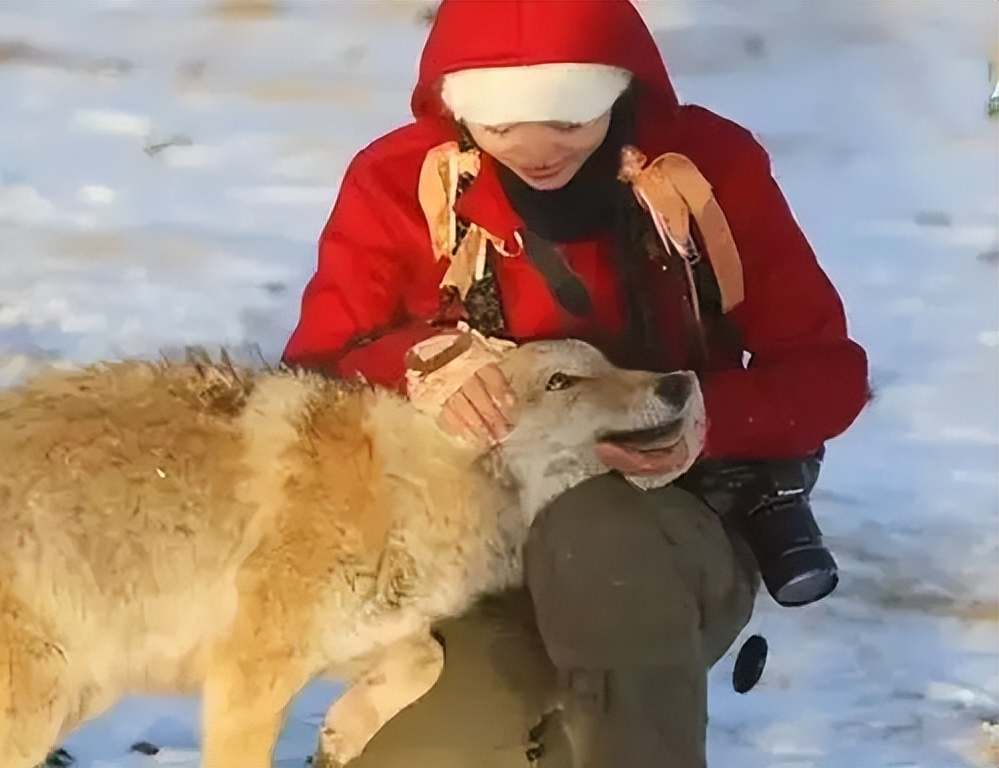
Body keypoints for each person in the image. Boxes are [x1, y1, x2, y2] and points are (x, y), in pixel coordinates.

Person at [280, 1, 870, 766]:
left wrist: (702, 420)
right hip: (474, 554)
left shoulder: (705, 170)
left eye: (567, 122)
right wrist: (416, 364)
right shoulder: (402, 181)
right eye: (499, 129)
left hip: (659, 543)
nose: (536, 151)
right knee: (432, 750)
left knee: (597, 543)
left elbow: (827, 374)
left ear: (618, 92)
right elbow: (312, 372)